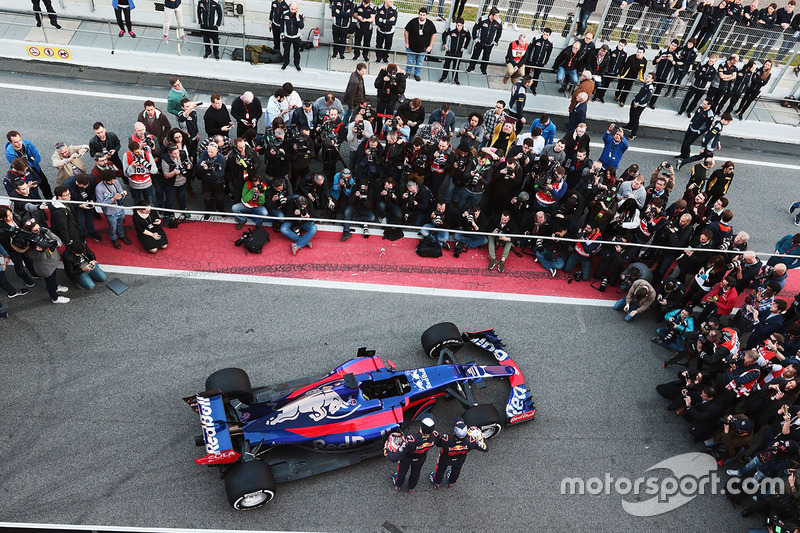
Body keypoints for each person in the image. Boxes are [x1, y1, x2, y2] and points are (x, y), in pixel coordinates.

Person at [18, 218, 69, 304]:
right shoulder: (30, 244)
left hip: (53, 260)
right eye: (35, 230)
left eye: (39, 228)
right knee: (50, 281)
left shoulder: (44, 231)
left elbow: (57, 238)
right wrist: (40, 251)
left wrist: (55, 242)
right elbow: (40, 259)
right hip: (44, 267)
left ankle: (56, 287)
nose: (39, 231)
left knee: (53, 277)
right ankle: (55, 297)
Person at [429, 418, 487, 489]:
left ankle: (437, 483)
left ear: (454, 432)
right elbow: (485, 448)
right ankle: (451, 483)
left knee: (440, 470)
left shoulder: (447, 439)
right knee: (456, 470)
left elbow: (438, 444)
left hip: (445, 458)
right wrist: (480, 435)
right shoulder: (471, 441)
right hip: (460, 458)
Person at [392, 415, 440, 493]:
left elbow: (403, 449)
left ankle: (398, 485)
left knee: (402, 472)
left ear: (421, 428)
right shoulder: (435, 436)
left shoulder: (412, 439)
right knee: (416, 472)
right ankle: (411, 488)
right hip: (421, 457)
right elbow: (438, 442)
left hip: (407, 458)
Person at [5, 131, 53, 199]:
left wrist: (26, 164)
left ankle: (49, 199)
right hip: (23, 172)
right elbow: (18, 166)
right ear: (10, 142)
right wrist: (30, 161)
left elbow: (38, 158)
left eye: (20, 140)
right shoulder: (9, 153)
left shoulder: (28, 143)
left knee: (44, 184)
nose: (19, 143)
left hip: (35, 168)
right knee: (29, 189)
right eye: (16, 142)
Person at [94, 169, 130, 249]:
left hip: (120, 208)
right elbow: (101, 205)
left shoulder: (115, 182)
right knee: (113, 227)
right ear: (104, 180)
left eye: (113, 179)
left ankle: (122, 235)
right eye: (110, 180)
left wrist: (123, 194)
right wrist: (113, 199)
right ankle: (114, 239)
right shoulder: (99, 188)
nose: (112, 181)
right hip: (110, 213)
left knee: (120, 224)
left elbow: (120, 191)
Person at [467, 7, 503, 76]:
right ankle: (471, 68)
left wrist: (495, 41)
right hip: (480, 42)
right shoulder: (483, 19)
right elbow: (474, 29)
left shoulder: (498, 22)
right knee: (475, 56)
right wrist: (475, 38)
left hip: (489, 44)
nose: (498, 17)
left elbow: (499, 33)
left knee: (486, 58)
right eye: (496, 15)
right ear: (491, 15)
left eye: (498, 15)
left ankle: (483, 70)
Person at [404, 8, 437, 82]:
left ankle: (417, 74)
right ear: (418, 14)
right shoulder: (413, 22)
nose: (422, 16)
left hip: (423, 49)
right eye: (421, 15)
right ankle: (407, 73)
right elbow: (406, 31)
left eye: (424, 15)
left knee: (420, 62)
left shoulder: (430, 24)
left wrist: (430, 46)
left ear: (426, 15)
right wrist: (407, 43)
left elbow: (433, 34)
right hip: (411, 47)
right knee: (410, 61)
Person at [197, 141, 227, 217]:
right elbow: (197, 167)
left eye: (212, 152)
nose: (209, 154)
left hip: (217, 181)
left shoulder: (222, 159)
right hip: (206, 180)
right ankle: (208, 210)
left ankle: (220, 210)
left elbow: (219, 175)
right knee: (207, 196)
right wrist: (201, 165)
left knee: (219, 197)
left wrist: (210, 169)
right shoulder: (204, 153)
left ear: (217, 150)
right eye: (208, 151)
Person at [624, 72, 655, 140]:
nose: (647, 77)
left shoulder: (650, 87)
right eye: (647, 76)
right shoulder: (645, 84)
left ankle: (633, 134)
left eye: (649, 77)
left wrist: (638, 103)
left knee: (636, 118)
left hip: (639, 105)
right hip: (635, 101)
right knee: (631, 114)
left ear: (652, 80)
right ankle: (629, 126)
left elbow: (647, 98)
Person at [439, 18, 470, 85]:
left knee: (456, 66)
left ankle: (455, 79)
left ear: (463, 25)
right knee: (446, 64)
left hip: (459, 52)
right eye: (458, 25)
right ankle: (443, 77)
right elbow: (444, 35)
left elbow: (469, 38)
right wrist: (445, 44)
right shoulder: (451, 29)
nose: (459, 27)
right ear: (456, 24)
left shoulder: (465, 31)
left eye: (461, 26)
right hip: (450, 51)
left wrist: (465, 47)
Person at [523, 29, 553, 96]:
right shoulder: (536, 39)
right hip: (531, 61)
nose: (545, 36)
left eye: (547, 35)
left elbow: (548, 54)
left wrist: (544, 62)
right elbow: (529, 49)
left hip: (540, 63)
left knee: (536, 76)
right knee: (527, 74)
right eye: (544, 34)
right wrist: (528, 59)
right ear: (542, 33)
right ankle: (523, 86)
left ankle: (533, 88)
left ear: (549, 35)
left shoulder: (550, 43)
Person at [280, 2, 304, 71]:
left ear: (297, 9)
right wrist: (282, 34)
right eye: (291, 9)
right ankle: (285, 63)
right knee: (286, 51)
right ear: (289, 8)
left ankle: (297, 64)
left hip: (296, 37)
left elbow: (301, 26)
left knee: (296, 52)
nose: (293, 11)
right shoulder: (285, 15)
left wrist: (297, 18)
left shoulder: (299, 16)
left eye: (294, 9)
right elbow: (282, 25)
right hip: (287, 37)